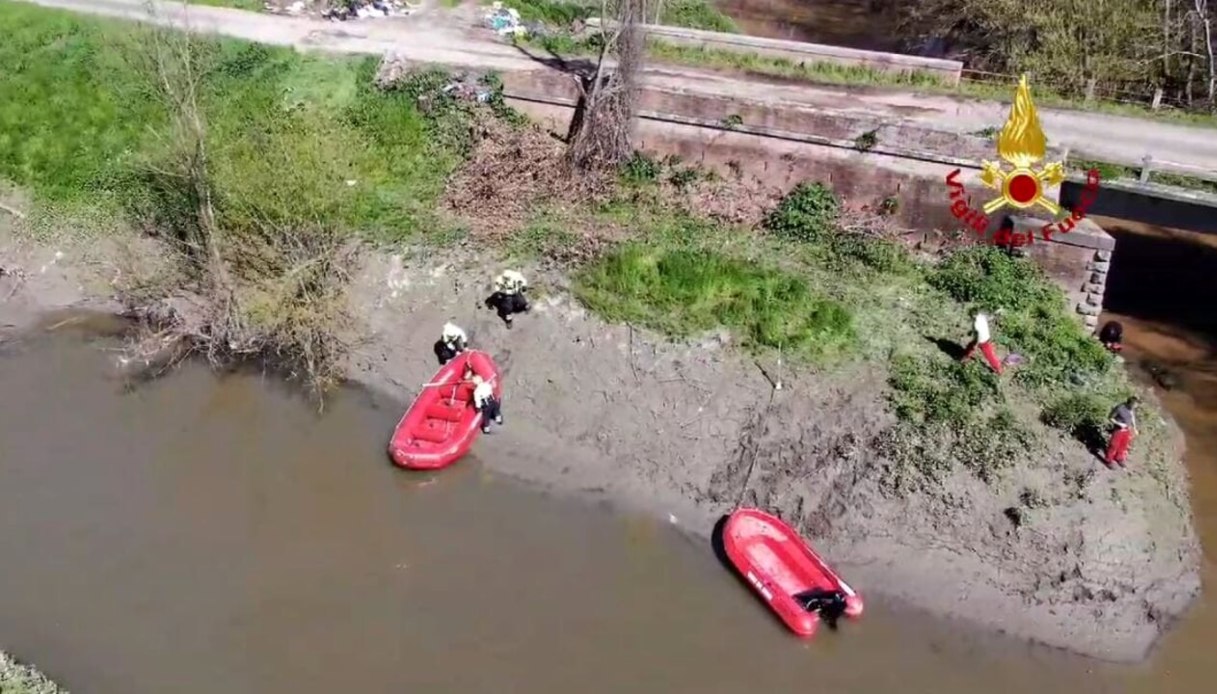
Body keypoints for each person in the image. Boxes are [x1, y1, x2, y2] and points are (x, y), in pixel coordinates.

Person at [1104, 396, 1139, 469]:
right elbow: (1110, 418)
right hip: (1119, 430)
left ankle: (1119, 458)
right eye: (1135, 404)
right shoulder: (1120, 408)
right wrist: (1119, 424)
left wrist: (1134, 428)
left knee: (1123, 445)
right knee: (1113, 445)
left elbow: (1132, 417)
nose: (1136, 406)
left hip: (1127, 430)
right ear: (1131, 403)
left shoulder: (1131, 409)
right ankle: (1108, 460)